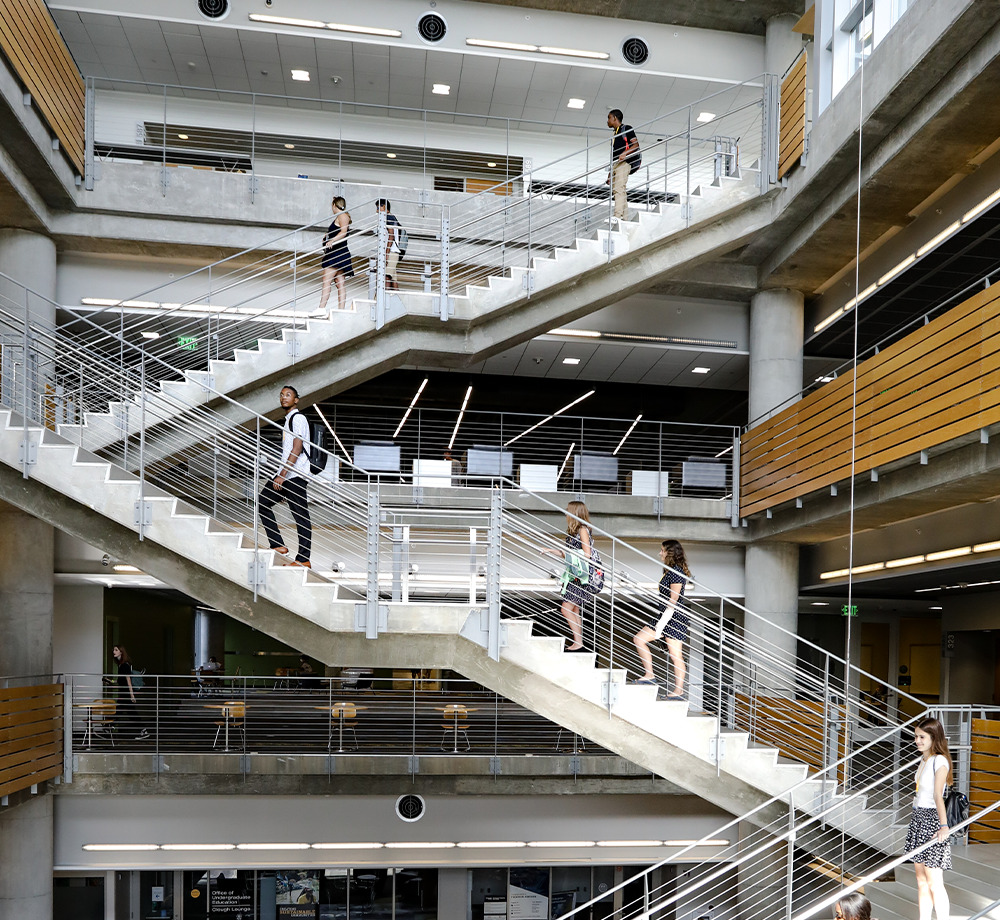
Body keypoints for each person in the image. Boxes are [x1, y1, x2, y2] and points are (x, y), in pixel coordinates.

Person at [259, 385, 313, 568]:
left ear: (296, 400)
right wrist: (281, 475)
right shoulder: (289, 420)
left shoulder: (298, 418)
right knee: (263, 502)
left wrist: (282, 475)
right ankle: (278, 545)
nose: (284, 397)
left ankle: (303, 559)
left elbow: (297, 448)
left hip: (294, 476)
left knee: (301, 517)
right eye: (281, 395)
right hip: (285, 475)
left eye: (288, 395)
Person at [904, 717, 952, 920]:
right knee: (921, 880)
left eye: (922, 737)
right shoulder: (924, 759)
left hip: (932, 820)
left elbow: (937, 796)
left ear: (934, 737)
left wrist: (943, 825)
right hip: (918, 818)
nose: (917, 740)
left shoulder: (939, 761)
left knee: (934, 882)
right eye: (916, 736)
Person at [630, 540, 691, 699]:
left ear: (669, 553)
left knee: (675, 654)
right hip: (665, 616)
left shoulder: (676, 572)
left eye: (662, 550)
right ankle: (649, 675)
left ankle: (679, 691)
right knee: (639, 639)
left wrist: (662, 624)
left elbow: (674, 599)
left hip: (674, 617)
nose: (660, 553)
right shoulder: (670, 571)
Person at [543, 501, 593, 651]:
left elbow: (587, 554)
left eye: (568, 511)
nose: (566, 514)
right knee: (574, 609)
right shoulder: (575, 531)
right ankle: (578, 642)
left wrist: (568, 554)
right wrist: (550, 550)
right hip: (574, 575)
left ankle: (579, 643)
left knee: (565, 609)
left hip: (580, 577)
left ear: (575, 513)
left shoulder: (582, 530)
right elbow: (567, 554)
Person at [316, 196, 354, 316]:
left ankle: (321, 308)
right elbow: (339, 231)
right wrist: (328, 236)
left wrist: (332, 240)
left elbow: (343, 231)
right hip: (338, 253)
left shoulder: (343, 216)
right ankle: (341, 310)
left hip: (337, 253)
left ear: (334, 205)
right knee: (339, 282)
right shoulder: (341, 216)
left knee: (327, 280)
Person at [606, 109, 641, 221]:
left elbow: (635, 145)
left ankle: (617, 216)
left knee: (619, 188)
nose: (607, 121)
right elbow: (614, 156)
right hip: (617, 164)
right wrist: (610, 174)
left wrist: (625, 153)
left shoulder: (627, 128)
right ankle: (624, 218)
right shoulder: (615, 133)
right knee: (619, 190)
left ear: (615, 118)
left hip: (625, 162)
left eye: (609, 118)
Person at [112, 645, 149, 740]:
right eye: (114, 650)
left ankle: (109, 726)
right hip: (123, 693)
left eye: (116, 650)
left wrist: (132, 695)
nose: (114, 651)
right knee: (127, 712)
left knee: (128, 713)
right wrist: (111, 682)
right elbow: (121, 680)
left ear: (121, 652)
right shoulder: (120, 665)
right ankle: (109, 727)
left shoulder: (125, 665)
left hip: (126, 694)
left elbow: (128, 680)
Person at [375, 198, 402, 290]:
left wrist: (386, 253)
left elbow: (391, 235)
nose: (377, 211)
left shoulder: (388, 218)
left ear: (384, 207)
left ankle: (383, 298)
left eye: (378, 208)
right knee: (393, 280)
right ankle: (397, 298)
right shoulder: (392, 217)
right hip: (394, 251)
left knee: (386, 278)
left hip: (391, 252)